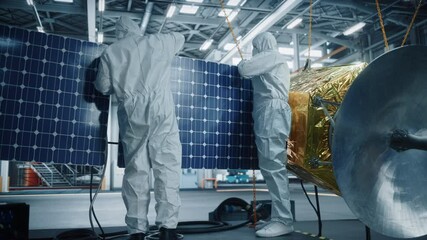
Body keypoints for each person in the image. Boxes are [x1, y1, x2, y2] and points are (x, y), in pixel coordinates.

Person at [94, 16, 185, 240]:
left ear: (118, 32)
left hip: (132, 111)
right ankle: (168, 228)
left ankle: (136, 231)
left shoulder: (110, 52)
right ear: (136, 28)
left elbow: (103, 87)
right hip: (161, 107)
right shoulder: (158, 41)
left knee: (137, 170)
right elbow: (181, 38)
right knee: (167, 167)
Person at [237, 32, 294, 238]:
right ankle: (280, 217)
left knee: (273, 166)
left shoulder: (271, 56)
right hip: (270, 111)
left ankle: (283, 220)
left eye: (255, 47)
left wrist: (245, 59)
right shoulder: (273, 59)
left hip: (272, 111)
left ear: (260, 45)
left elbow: (245, 69)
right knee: (271, 167)